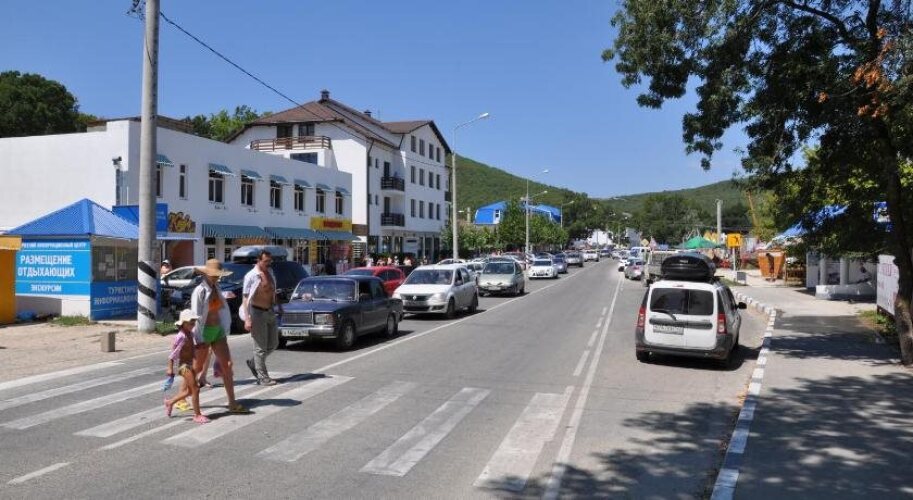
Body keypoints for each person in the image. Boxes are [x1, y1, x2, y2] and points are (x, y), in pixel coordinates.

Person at [190, 259, 248, 414]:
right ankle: (182, 396)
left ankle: (232, 403)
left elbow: (220, 309)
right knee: (196, 368)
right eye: (214, 274)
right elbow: (195, 315)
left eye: (218, 275)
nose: (216, 277)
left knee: (227, 365)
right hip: (204, 332)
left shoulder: (217, 287)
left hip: (218, 331)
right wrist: (197, 338)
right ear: (206, 274)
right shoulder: (200, 291)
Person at [242, 250, 282, 386]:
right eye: (266, 261)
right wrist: (247, 319)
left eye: (270, 261)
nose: (268, 263)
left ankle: (254, 362)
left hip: (270, 311)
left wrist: (279, 306)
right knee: (260, 347)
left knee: (273, 344)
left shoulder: (270, 272)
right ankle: (263, 377)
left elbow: (273, 291)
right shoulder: (251, 276)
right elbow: (245, 298)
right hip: (257, 312)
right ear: (258, 260)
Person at [164, 309, 210, 424]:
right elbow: (173, 354)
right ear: (183, 323)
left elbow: (191, 348)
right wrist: (170, 368)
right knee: (196, 389)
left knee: (189, 391)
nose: (193, 324)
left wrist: (199, 346)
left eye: (194, 321)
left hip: (189, 365)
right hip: (183, 366)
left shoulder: (190, 334)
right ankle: (197, 415)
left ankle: (170, 402)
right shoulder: (181, 336)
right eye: (190, 322)